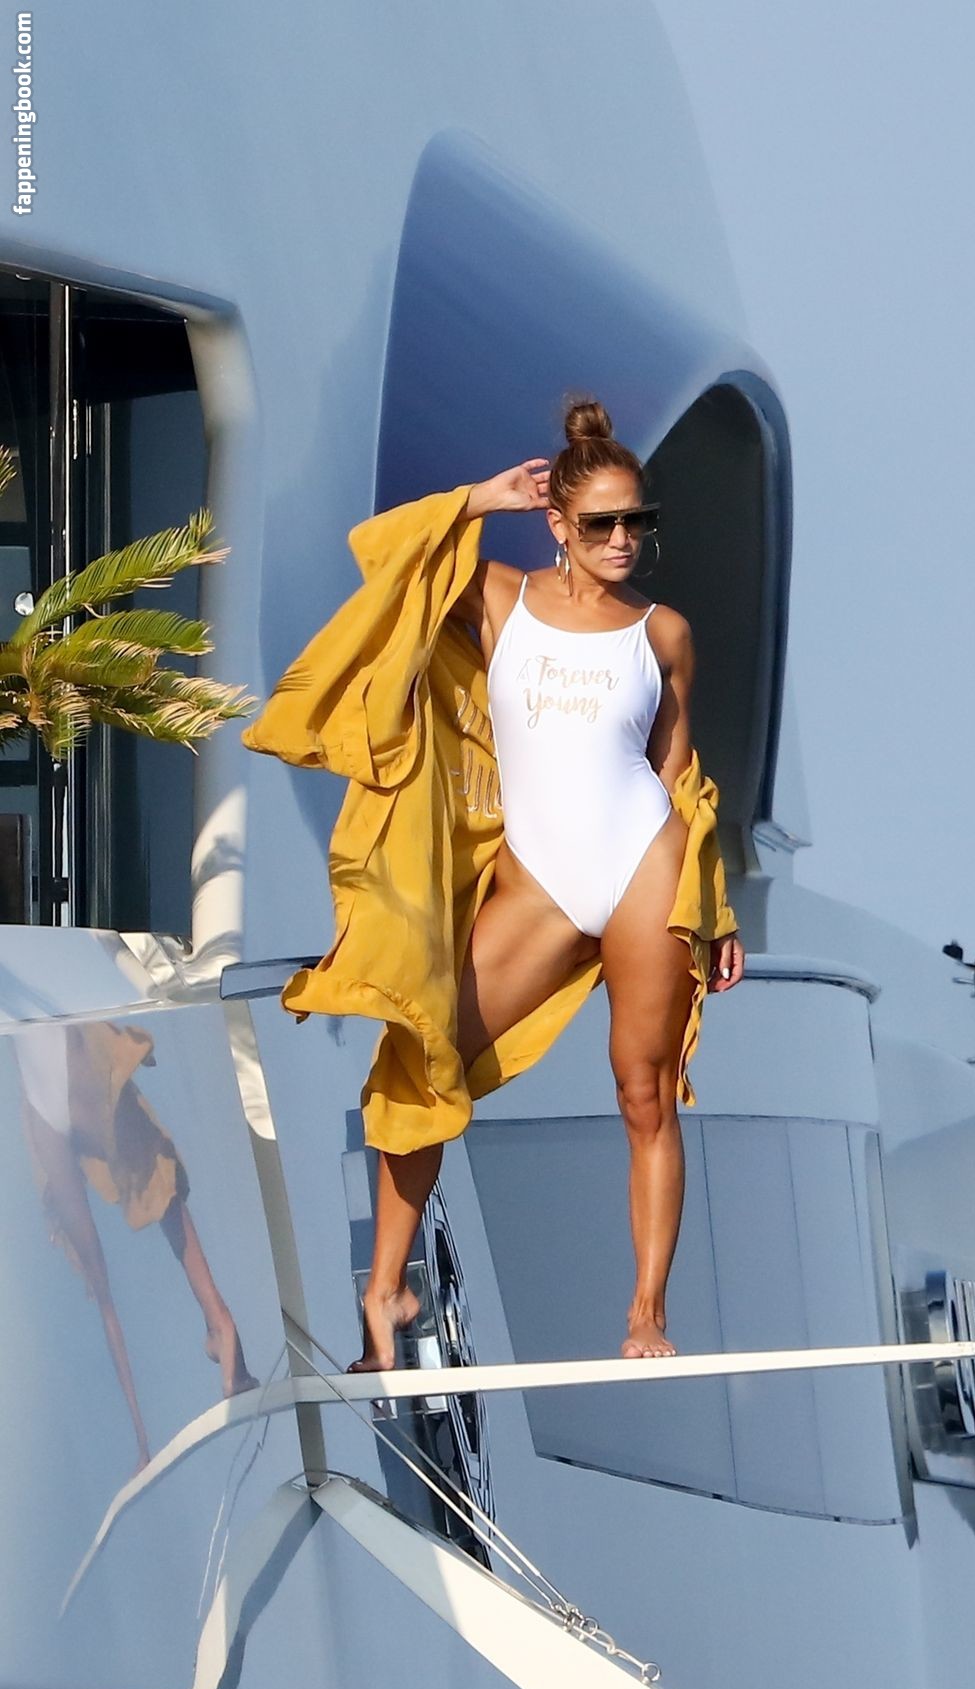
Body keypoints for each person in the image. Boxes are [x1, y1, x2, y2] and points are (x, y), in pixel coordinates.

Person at [242, 395, 744, 1372]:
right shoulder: (498, 598)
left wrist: (712, 908)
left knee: (643, 1093)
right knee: (423, 1053)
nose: (621, 540)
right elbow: (386, 556)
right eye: (599, 523)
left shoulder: (663, 634)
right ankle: (386, 1293)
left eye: (637, 521)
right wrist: (477, 499)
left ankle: (646, 1313)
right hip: (541, 882)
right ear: (556, 522)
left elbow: (678, 773)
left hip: (646, 866)